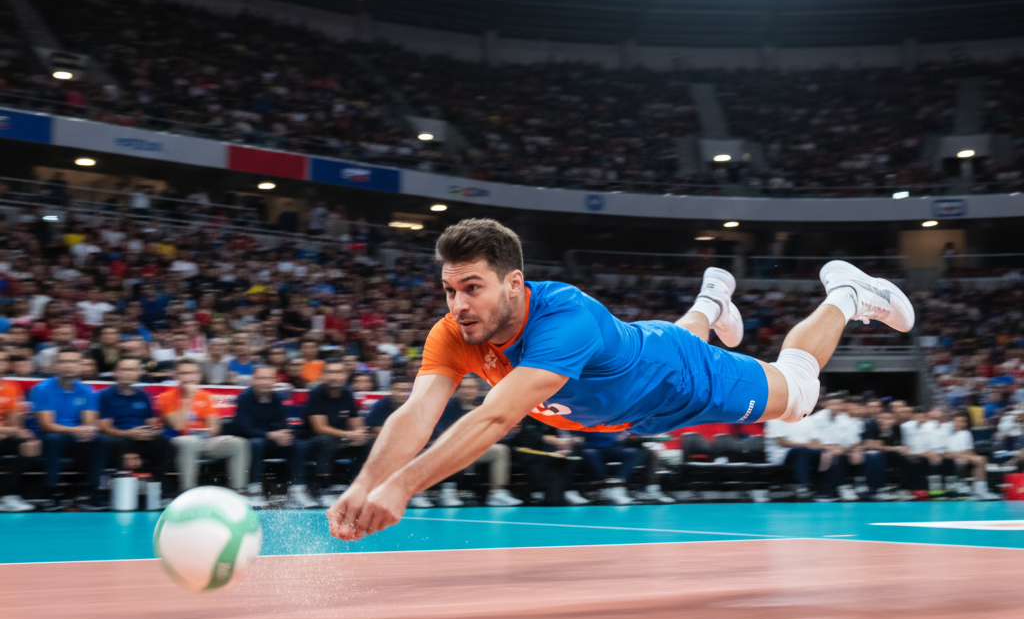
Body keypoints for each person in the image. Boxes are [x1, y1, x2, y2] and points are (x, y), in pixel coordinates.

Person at [327, 217, 915, 540]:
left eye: (472, 288)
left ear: (514, 283)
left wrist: (401, 487)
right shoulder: (453, 331)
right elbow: (416, 413)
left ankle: (847, 292)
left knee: (799, 395)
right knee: (674, 335)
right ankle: (713, 298)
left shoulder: (563, 320)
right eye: (450, 289)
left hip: (674, 376)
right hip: (630, 394)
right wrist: (366, 481)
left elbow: (496, 415)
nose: (457, 304)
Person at [31, 348, 108, 510]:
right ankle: (52, 493)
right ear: (55, 365)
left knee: (101, 440)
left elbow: (88, 421)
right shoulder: (42, 389)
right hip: (50, 437)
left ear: (81, 366)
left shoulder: (87, 391)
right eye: (63, 361)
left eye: (73, 361)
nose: (68, 366)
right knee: (55, 439)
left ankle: (93, 492)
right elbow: (46, 426)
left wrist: (87, 430)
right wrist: (76, 430)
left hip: (75, 436)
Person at [158, 360, 250, 496]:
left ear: (198, 376)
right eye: (184, 373)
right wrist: (188, 399)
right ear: (177, 376)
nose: (189, 377)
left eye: (192, 373)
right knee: (189, 442)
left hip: (204, 440)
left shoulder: (205, 396)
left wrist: (203, 431)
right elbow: (177, 425)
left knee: (239, 443)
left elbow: (214, 429)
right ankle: (187, 492)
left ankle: (239, 491)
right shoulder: (166, 397)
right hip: (178, 441)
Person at [430, 376, 522, 508]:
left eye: (472, 387)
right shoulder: (447, 407)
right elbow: (442, 433)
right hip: (451, 450)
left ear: (477, 390)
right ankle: (448, 492)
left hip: (475, 449)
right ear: (457, 390)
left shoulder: (485, 405)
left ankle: (497, 493)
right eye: (465, 387)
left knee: (500, 451)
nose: (468, 391)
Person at [232, 365, 314, 508]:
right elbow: (243, 428)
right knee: (256, 443)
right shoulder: (244, 398)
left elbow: (282, 422)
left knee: (296, 444)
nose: (265, 382)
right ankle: (254, 490)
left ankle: (297, 490)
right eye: (262, 378)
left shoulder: (277, 398)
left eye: (269, 378)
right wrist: (271, 434)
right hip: (250, 440)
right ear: (254, 380)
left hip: (271, 440)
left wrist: (284, 433)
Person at [304, 359, 366, 507]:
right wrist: (350, 435)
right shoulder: (316, 393)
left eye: (338, 372)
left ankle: (360, 486)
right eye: (330, 372)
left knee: (366, 442)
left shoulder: (347, 394)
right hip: (312, 440)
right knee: (327, 441)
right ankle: (322, 490)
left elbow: (356, 422)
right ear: (324, 375)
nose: (334, 376)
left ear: (345, 375)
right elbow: (320, 428)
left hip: (340, 438)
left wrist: (359, 434)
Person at [98, 357, 165, 484]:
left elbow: (150, 422)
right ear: (115, 373)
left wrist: (154, 431)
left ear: (139, 373)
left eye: (133, 370)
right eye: (124, 370)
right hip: (118, 437)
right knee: (119, 443)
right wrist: (129, 433)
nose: (128, 373)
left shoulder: (144, 396)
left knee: (163, 442)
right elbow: (104, 428)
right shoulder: (105, 395)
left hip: (140, 437)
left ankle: (158, 485)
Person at [0, 350, 39, 512]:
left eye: (3, 360)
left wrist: (20, 432)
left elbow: (16, 419)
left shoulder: (12, 387)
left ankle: (8, 496)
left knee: (29, 445)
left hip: (4, 434)